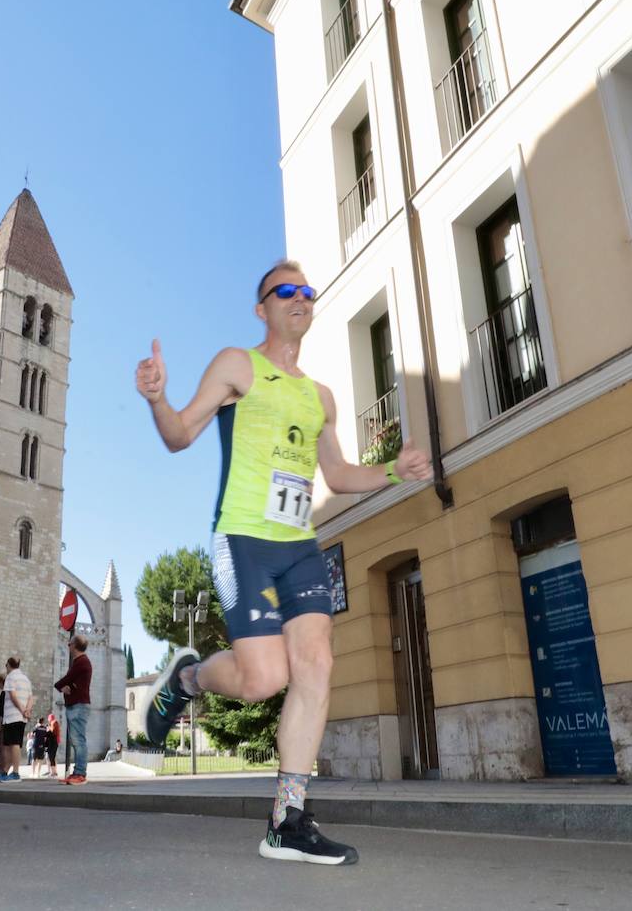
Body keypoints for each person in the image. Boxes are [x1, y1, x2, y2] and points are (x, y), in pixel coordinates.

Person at [135, 259, 433, 866]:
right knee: (263, 678)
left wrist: (392, 472)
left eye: (307, 291)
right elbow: (179, 435)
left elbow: (338, 474)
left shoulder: (318, 395)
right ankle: (187, 678)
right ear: (262, 308)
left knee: (317, 663)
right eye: (285, 290)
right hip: (242, 538)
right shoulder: (236, 365)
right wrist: (159, 400)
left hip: (300, 546)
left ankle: (288, 822)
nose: (300, 297)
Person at [55, 634, 93, 785]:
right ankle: (76, 773)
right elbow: (73, 682)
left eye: (69, 643)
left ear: (75, 646)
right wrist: (68, 686)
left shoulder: (81, 662)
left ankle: (80, 774)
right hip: (76, 704)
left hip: (78, 705)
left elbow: (67, 679)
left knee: (78, 741)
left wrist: (60, 686)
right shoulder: (80, 662)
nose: (68, 646)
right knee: (76, 740)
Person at [0, 656, 32, 782]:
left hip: (12, 716)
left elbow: (13, 696)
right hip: (21, 717)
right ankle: (5, 772)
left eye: (6, 665)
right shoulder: (26, 679)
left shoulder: (11, 677)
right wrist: (27, 710)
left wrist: (22, 710)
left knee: (13, 745)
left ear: (9, 665)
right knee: (11, 745)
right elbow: (31, 698)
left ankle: (15, 773)